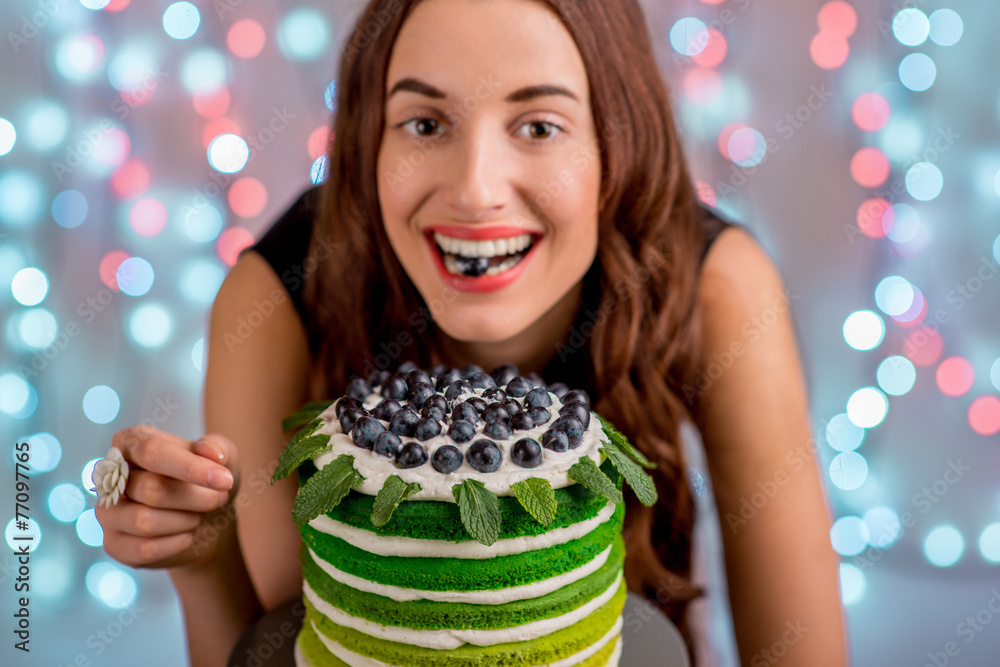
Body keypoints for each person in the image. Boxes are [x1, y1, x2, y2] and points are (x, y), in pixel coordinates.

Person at [94, 0, 848, 665]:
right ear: (368, 147)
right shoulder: (277, 298)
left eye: (540, 125)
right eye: (425, 123)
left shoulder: (716, 283)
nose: (476, 189)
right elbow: (292, 642)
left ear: (616, 147)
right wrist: (201, 562)